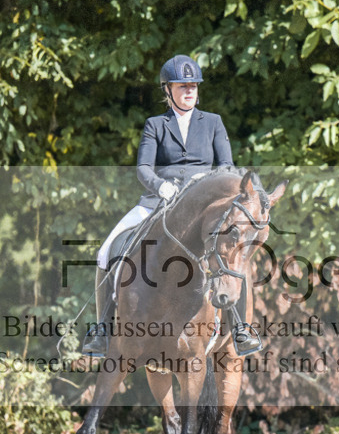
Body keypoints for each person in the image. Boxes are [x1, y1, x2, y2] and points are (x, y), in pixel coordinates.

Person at [82, 54, 262, 358]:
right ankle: (101, 330)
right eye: (183, 85)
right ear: (168, 90)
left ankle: (241, 328)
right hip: (159, 200)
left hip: (203, 206)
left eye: (193, 85)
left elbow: (228, 167)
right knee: (107, 250)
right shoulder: (156, 125)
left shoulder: (213, 123)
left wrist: (211, 179)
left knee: (232, 257)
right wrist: (161, 186)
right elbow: (143, 169)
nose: (190, 90)